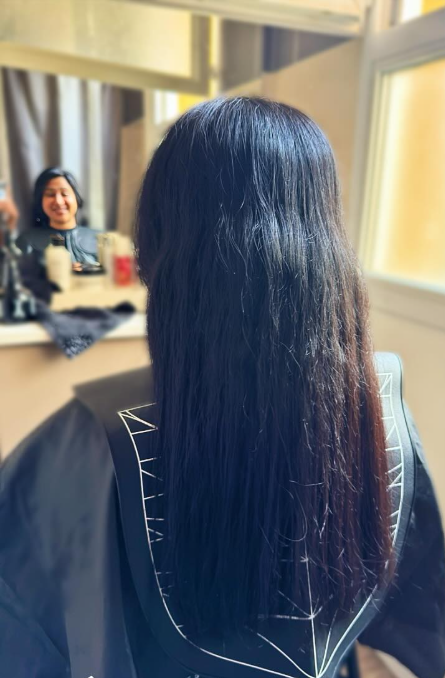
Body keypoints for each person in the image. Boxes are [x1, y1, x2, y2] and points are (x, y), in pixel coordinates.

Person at [0, 98, 444, 678]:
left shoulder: (90, 440)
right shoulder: (381, 407)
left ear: (161, 247)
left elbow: (22, 615)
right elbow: (419, 602)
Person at [16, 167, 98, 266]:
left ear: (77, 198)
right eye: (50, 194)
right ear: (40, 201)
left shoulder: (99, 239)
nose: (59, 202)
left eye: (64, 193)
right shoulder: (27, 241)